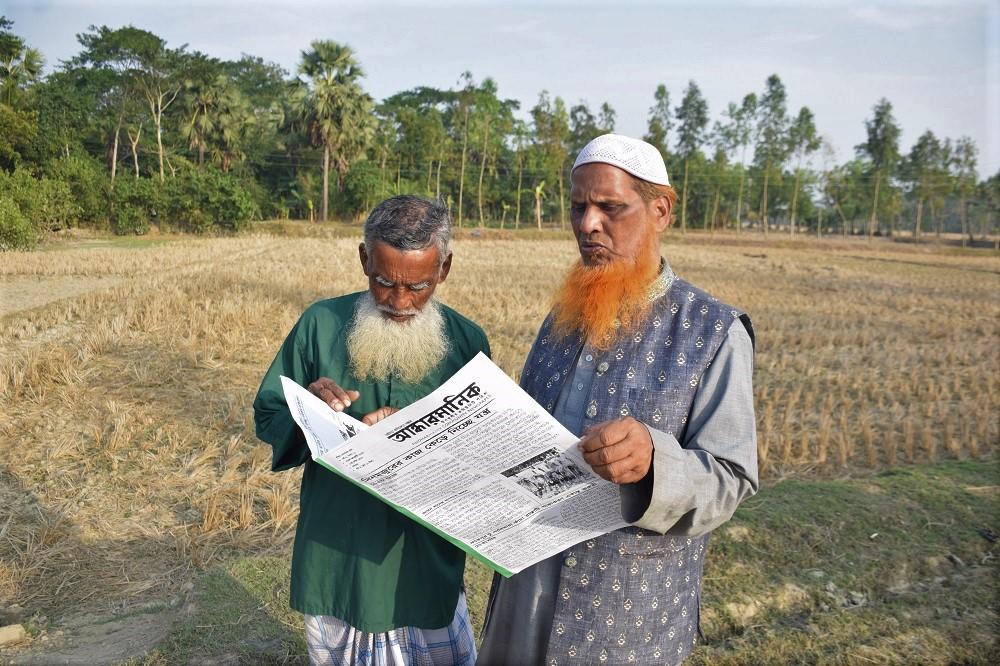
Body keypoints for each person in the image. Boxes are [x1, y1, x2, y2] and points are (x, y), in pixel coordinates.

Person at [477, 134, 758, 665]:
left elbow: (732, 477)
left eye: (610, 208)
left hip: (627, 614)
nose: (588, 224)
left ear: (660, 211)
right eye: (578, 207)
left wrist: (655, 461)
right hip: (524, 588)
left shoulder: (713, 331)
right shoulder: (563, 316)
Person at [252, 195, 489, 666]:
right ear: (364, 260)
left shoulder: (468, 343)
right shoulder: (320, 325)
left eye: (417, 286)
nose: (399, 302)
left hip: (424, 557)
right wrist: (309, 411)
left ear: (443, 269)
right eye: (383, 282)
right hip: (339, 549)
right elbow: (270, 415)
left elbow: (482, 451)